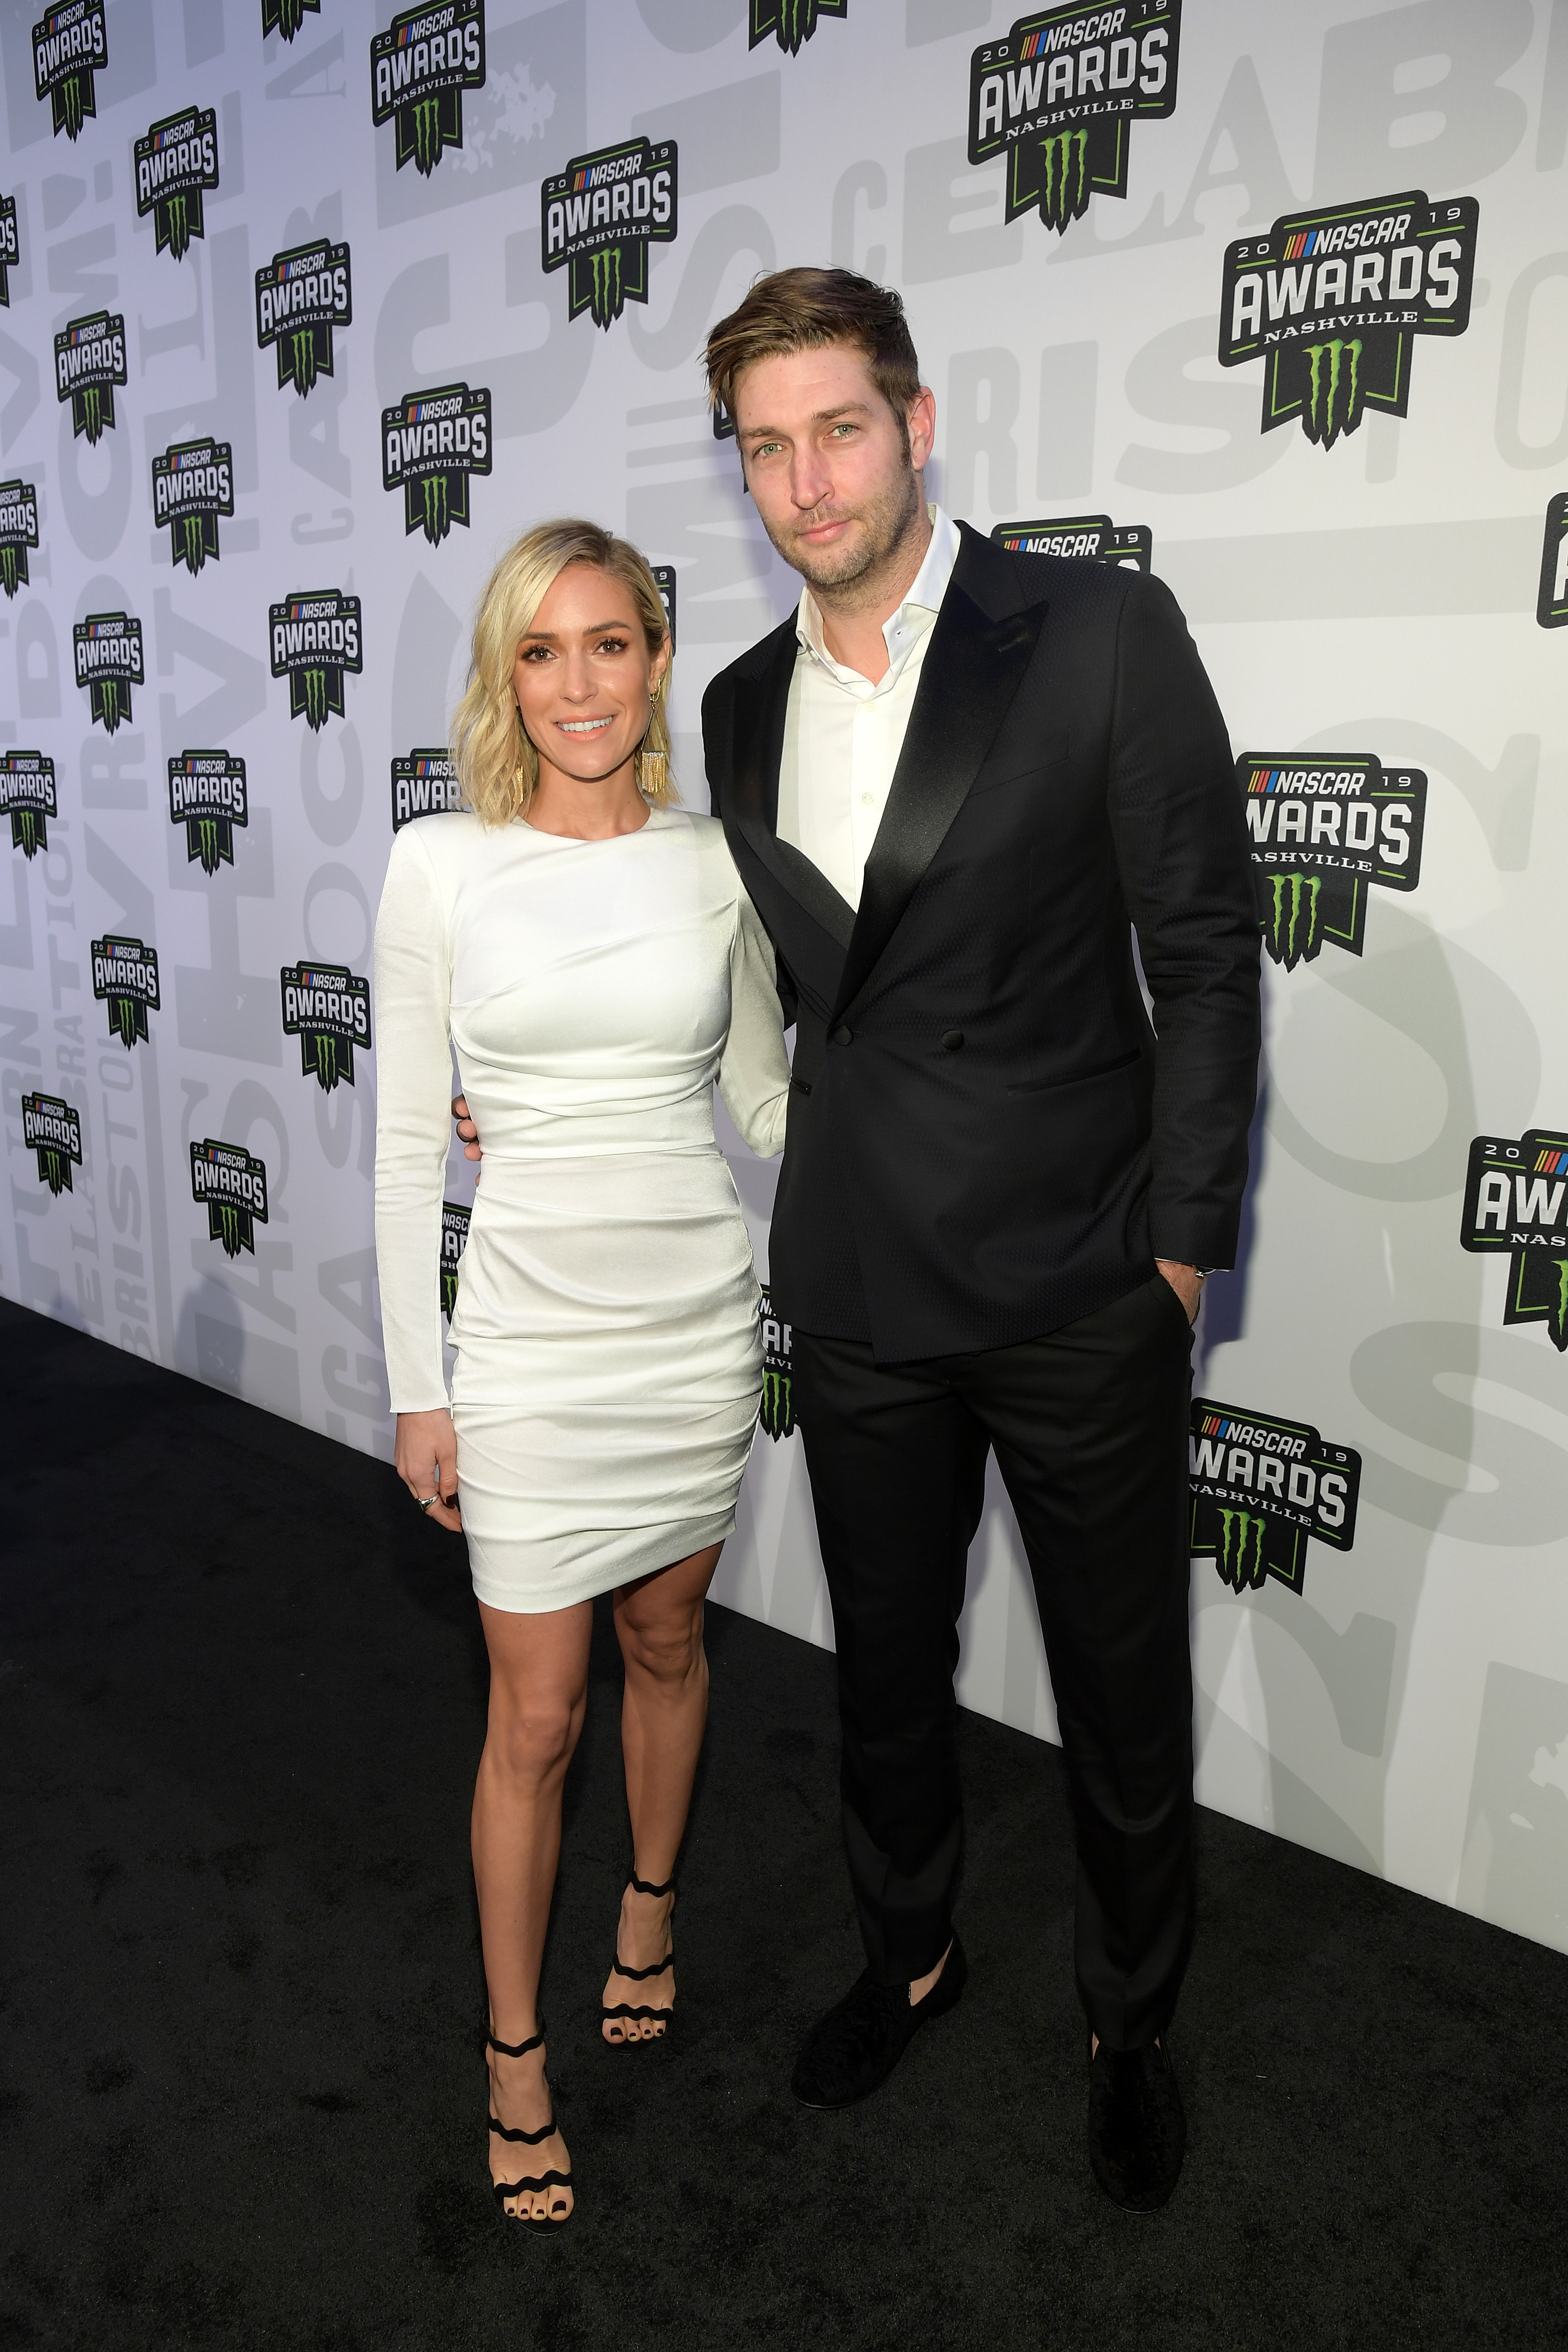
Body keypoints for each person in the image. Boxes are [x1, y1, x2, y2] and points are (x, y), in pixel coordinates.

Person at [699, 269, 1260, 2212]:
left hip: (1077, 1281)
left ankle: (1130, 2025)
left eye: (837, 429)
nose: (806, 480)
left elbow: (1204, 953)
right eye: (765, 447)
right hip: (859, 1292)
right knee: (881, 1672)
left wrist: (1178, 1252)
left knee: (1118, 1690)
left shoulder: (1092, 632)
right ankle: (909, 1954)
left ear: (915, 425)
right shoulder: (739, 704)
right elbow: (783, 990)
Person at [374, 520, 789, 2228]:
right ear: (505, 676)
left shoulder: (717, 860)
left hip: (691, 1328)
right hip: (529, 1343)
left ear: (657, 658)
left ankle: (652, 1904)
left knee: (669, 1642)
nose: (578, 684)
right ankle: (512, 2052)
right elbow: (408, 1145)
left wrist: (947, 1117)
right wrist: (420, 1386)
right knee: (534, 1718)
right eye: (539, 652)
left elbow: (766, 1100)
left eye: (609, 643)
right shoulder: (440, 866)